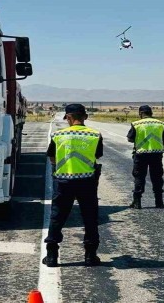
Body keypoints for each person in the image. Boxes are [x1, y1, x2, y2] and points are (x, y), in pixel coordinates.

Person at [42, 103, 103, 268]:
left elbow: (52, 158)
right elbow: (97, 155)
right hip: (87, 182)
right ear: (85, 117)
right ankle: (90, 255)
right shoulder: (95, 135)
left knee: (57, 217)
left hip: (63, 182)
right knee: (90, 218)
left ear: (68, 117)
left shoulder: (58, 135)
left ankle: (52, 255)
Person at [127, 105, 164, 209]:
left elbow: (130, 139)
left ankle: (137, 202)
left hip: (141, 155)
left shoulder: (136, 124)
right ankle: (159, 202)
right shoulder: (161, 124)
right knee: (157, 177)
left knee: (139, 177)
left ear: (140, 113)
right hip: (157, 155)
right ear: (151, 113)